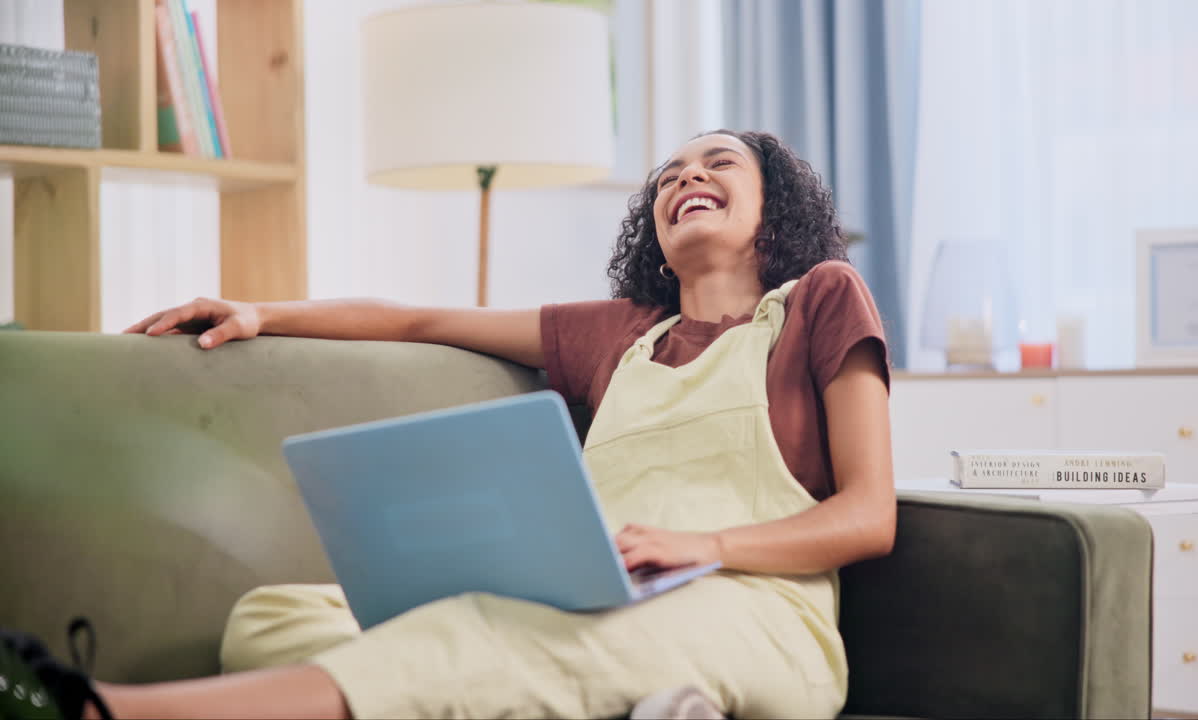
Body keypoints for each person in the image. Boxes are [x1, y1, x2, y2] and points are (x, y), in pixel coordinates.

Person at [0, 130, 894, 720]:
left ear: (773, 207)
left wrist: (705, 544)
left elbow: (868, 517)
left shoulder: (818, 301)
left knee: (473, 636)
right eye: (669, 177)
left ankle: (97, 707)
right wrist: (261, 310)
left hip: (757, 610)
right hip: (603, 595)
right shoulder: (621, 332)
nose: (687, 177)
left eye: (717, 163)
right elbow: (416, 321)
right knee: (271, 616)